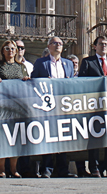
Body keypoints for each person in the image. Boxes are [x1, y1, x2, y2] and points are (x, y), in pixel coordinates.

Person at [32, 37, 75, 178]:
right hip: (48, 106)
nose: (58, 45)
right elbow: (34, 81)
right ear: (49, 46)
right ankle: (47, 169)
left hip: (64, 104)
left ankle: (63, 169)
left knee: (64, 138)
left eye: (60, 44)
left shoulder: (68, 64)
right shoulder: (40, 63)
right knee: (48, 137)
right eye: (55, 43)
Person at [0, 40, 31, 177]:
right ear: (3, 51)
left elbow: (27, 83)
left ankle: (13, 168)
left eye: (13, 48)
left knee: (16, 137)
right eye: (7, 48)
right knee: (2, 137)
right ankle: (1, 168)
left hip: (17, 106)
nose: (10, 50)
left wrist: (27, 80)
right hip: (2, 106)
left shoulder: (21, 67)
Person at [78, 36, 107, 177]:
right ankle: (94, 168)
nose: (104, 46)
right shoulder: (87, 62)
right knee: (94, 138)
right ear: (94, 46)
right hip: (94, 105)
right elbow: (82, 82)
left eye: (106, 44)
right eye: (101, 44)